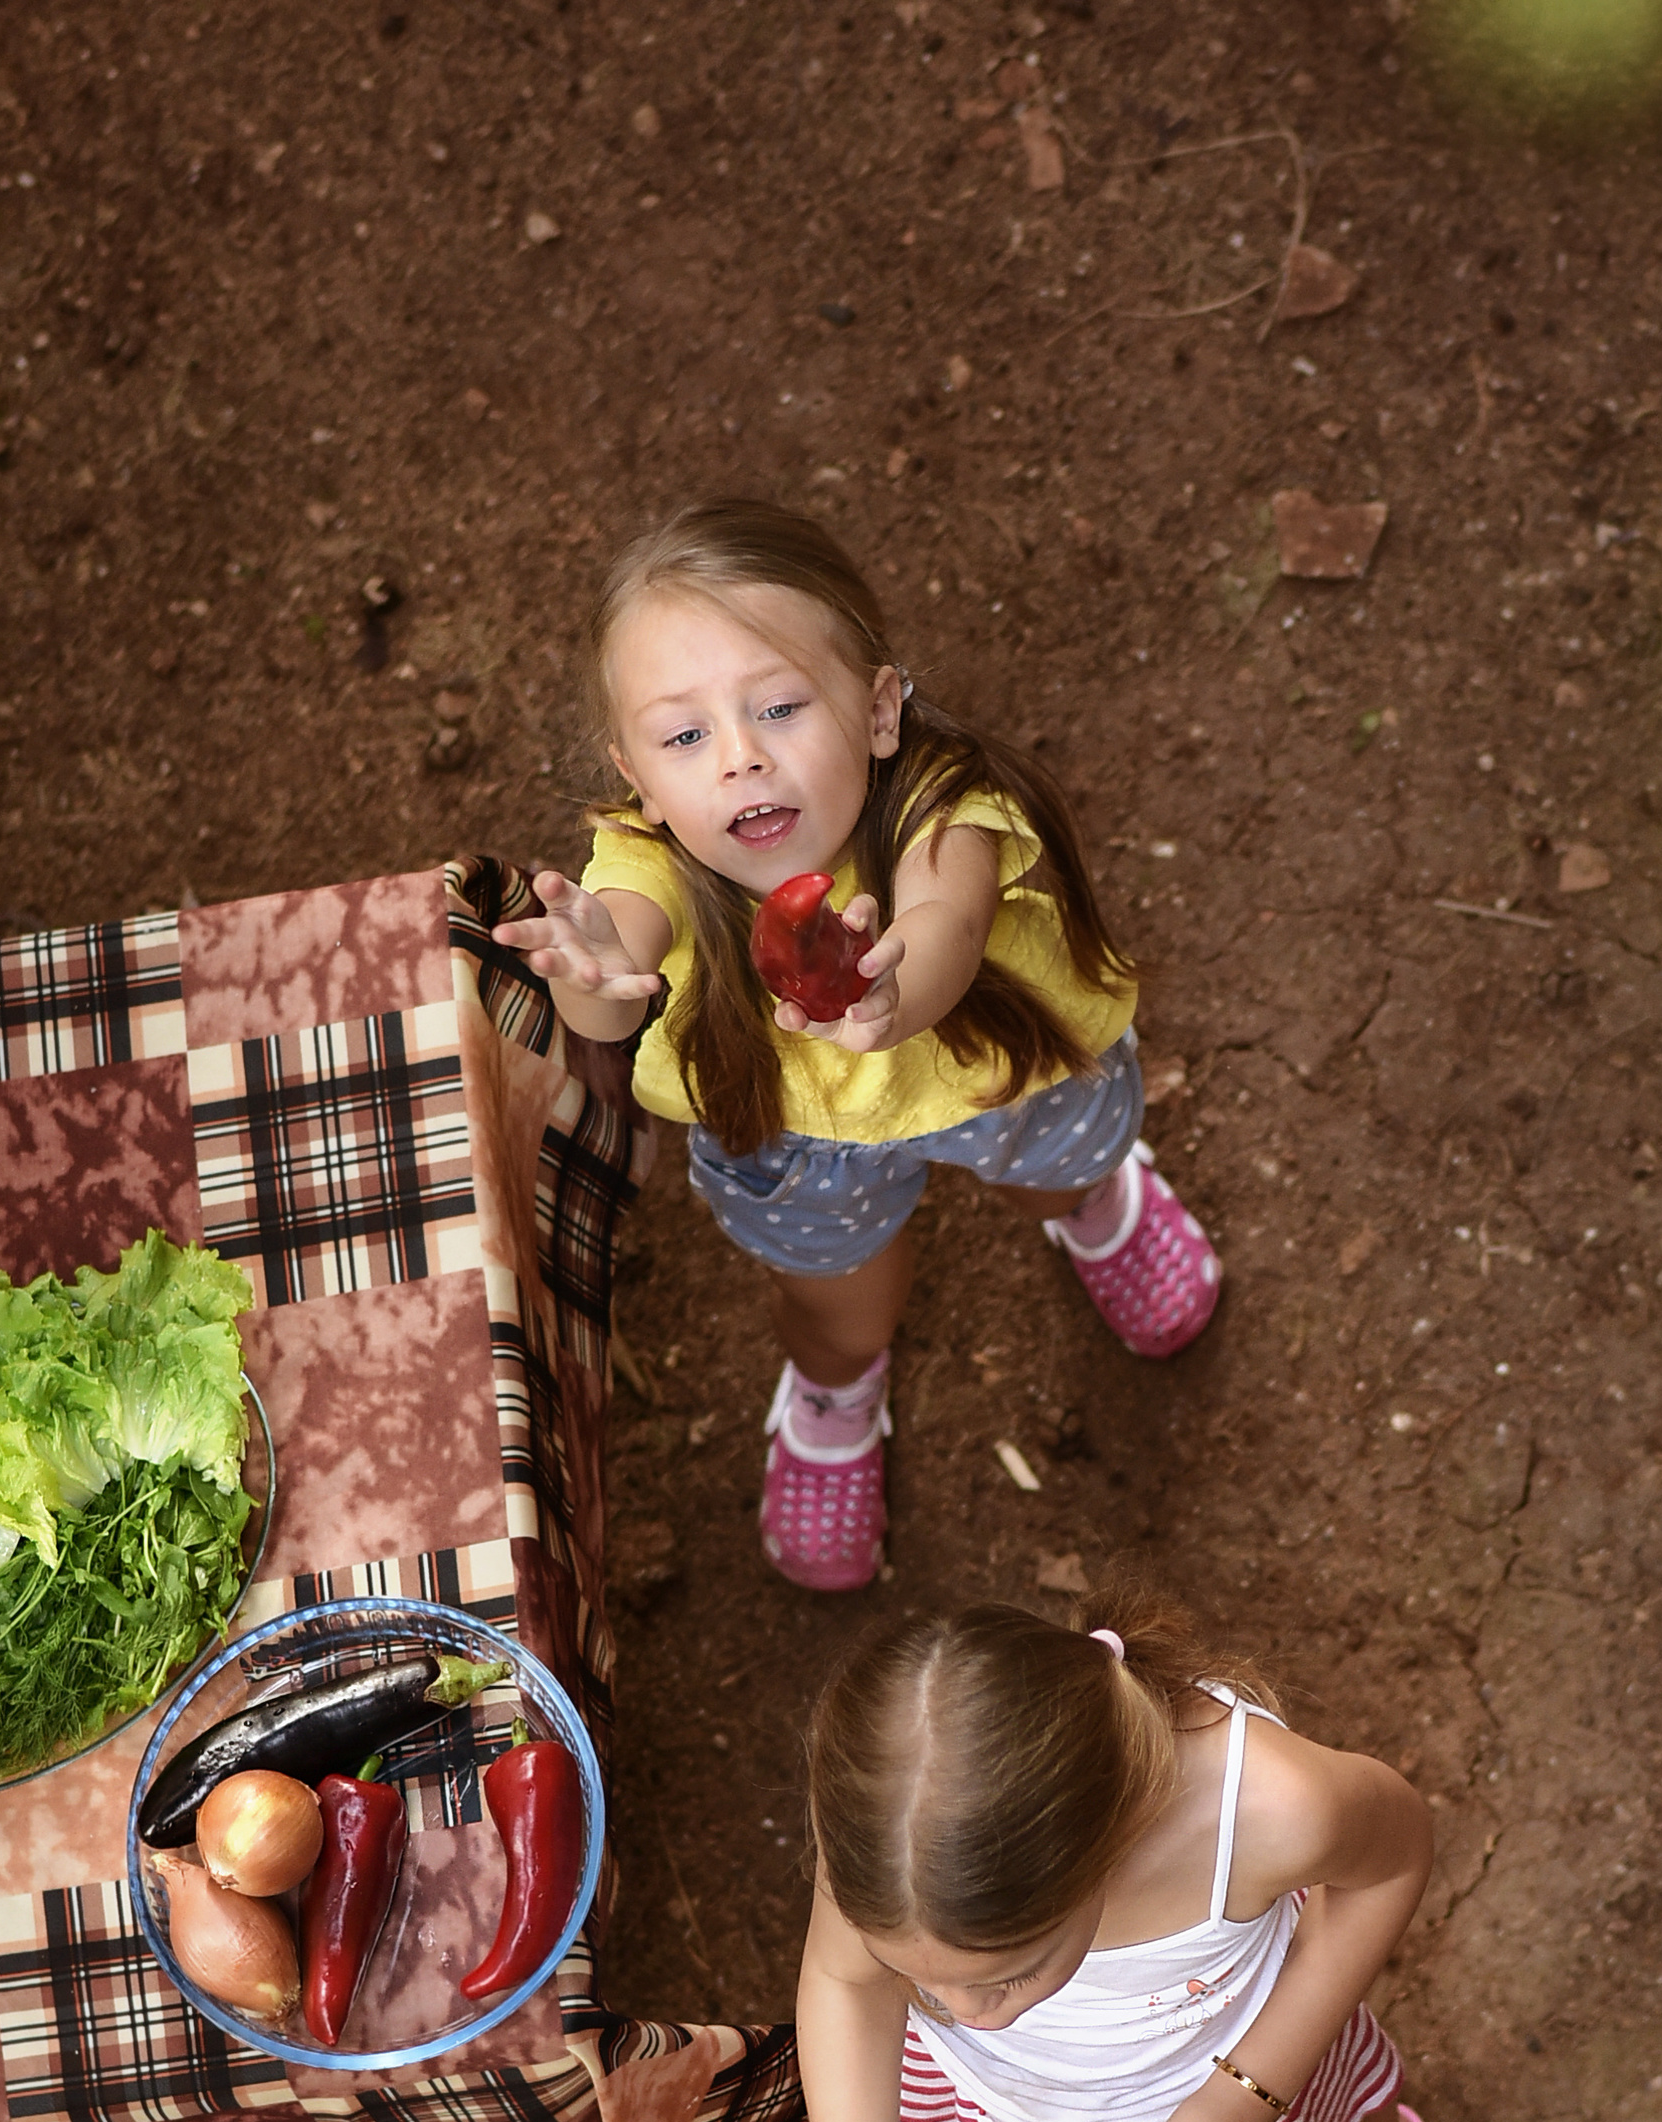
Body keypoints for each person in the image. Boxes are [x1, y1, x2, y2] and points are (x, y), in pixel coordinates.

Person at [495, 499, 1220, 1594]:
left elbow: (948, 927)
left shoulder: (942, 806)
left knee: (1051, 1173)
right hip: (797, 1140)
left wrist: (892, 996)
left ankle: (1091, 1206)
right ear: (636, 775)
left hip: (999, 1073)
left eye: (779, 706)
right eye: (685, 736)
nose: (738, 760)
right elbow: (619, 986)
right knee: (839, 1305)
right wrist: (593, 974)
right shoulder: (646, 862)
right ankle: (835, 1392)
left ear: (879, 708)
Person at [779, 1583, 1461, 2122]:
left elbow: (1395, 1862)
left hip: (1245, 2054)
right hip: (1030, 2103)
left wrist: (1249, 2095)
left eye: (1010, 1975)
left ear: (1101, 1852)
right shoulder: (891, 1837)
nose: (966, 2017)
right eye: (916, 1977)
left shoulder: (1265, 1807)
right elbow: (844, 1984)